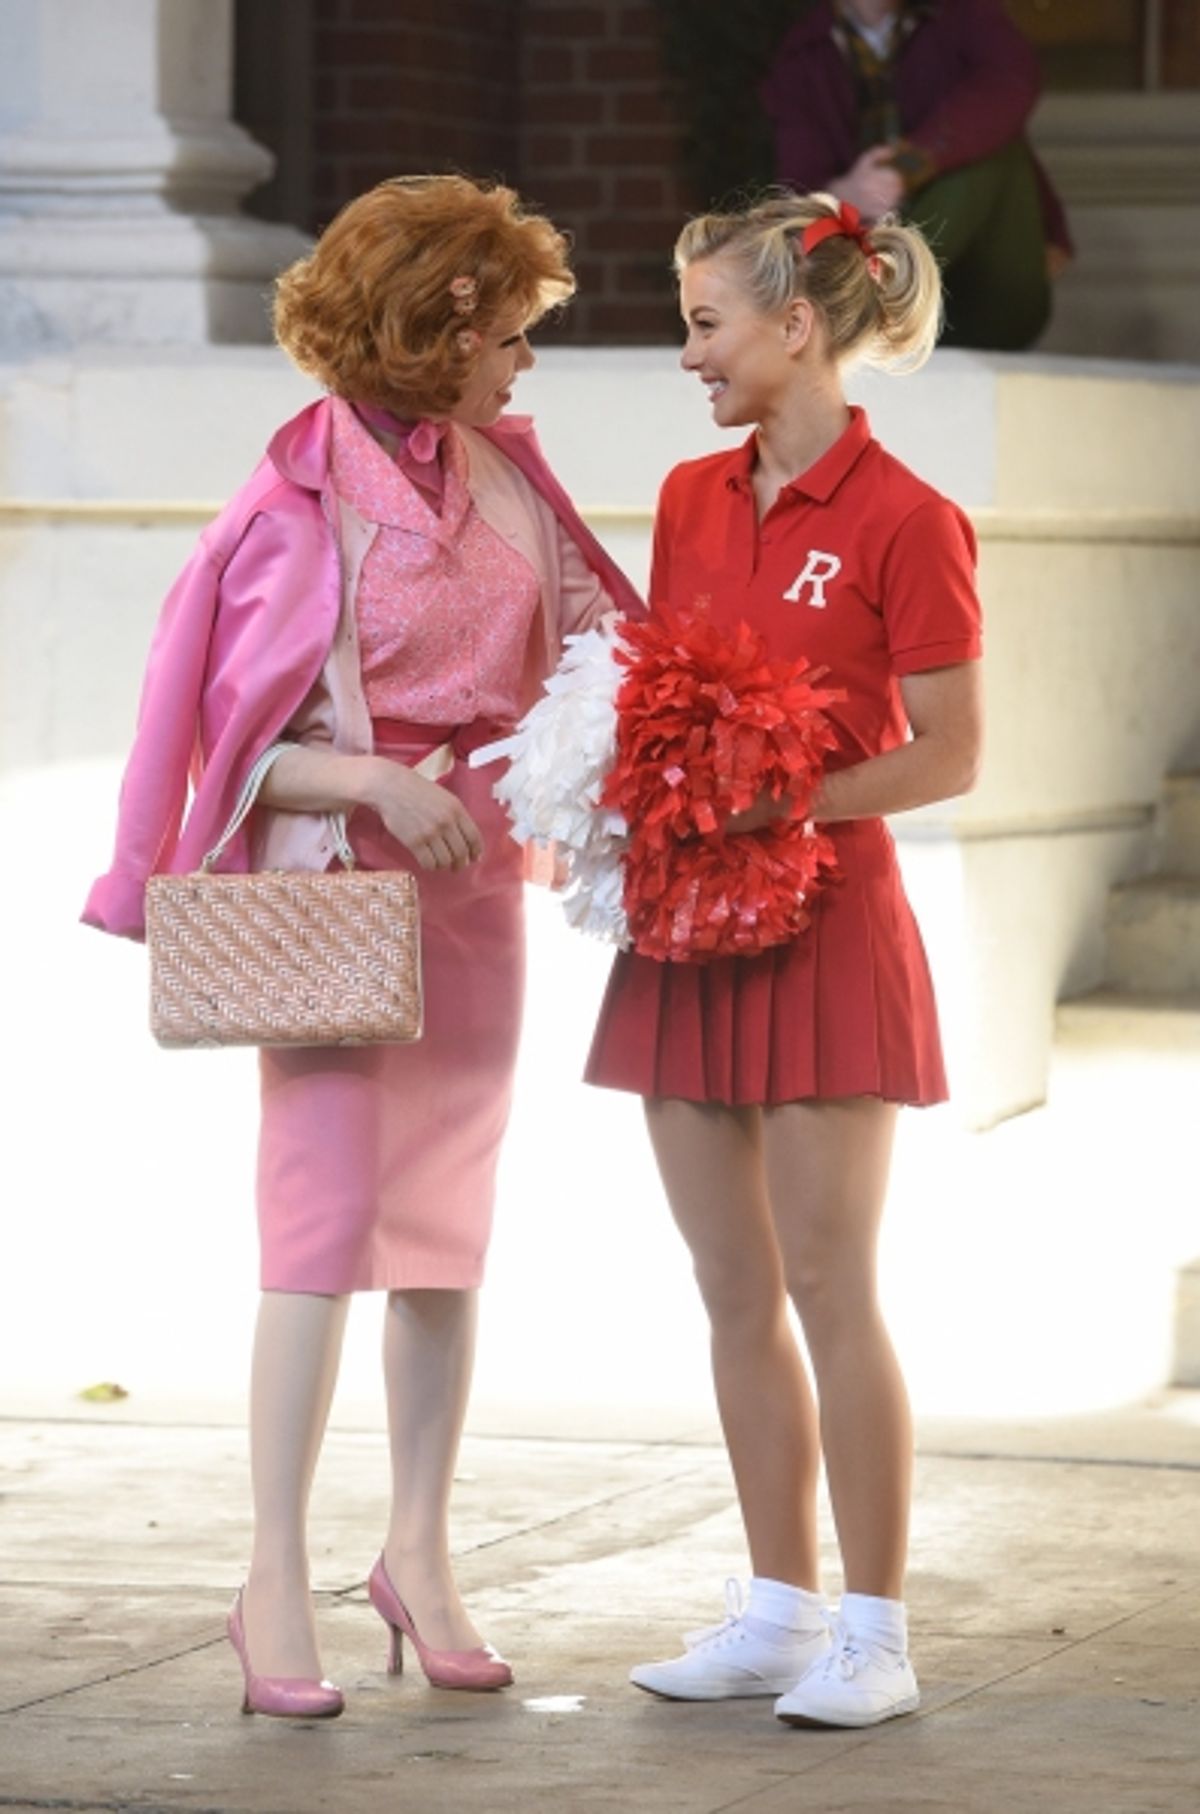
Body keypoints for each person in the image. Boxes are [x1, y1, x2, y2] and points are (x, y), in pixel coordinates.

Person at [82, 174, 640, 1719]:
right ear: (445, 318)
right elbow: (230, 733)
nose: (527, 360)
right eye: (512, 330)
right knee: (318, 1235)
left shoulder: (516, 478)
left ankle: (420, 1550)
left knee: (448, 1235)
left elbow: (601, 654)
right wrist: (382, 774)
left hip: (473, 895)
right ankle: (271, 1571)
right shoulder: (294, 497)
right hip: (336, 889)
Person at [585, 191, 983, 1727]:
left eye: (704, 323)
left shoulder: (909, 518)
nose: (689, 354)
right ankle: (771, 1607)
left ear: (796, 325)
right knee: (730, 1280)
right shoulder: (689, 499)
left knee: (831, 1279)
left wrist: (782, 795)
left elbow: (950, 756)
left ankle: (873, 1632)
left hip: (831, 924)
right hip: (686, 929)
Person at [761, 0, 1072, 350]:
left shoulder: (963, 15)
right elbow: (799, 188)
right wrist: (847, 191)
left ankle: (882, 296)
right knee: (807, 223)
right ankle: (877, 299)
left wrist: (909, 164)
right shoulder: (805, 53)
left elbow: (1012, 82)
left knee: (989, 148)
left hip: (985, 292)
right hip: (874, 280)